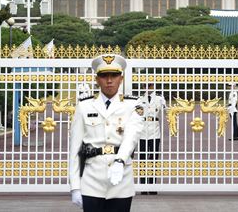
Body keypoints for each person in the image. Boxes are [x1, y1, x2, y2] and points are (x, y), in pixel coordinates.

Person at [69, 54, 144, 212]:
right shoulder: (84, 106)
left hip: (121, 181)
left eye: (114, 75)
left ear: (121, 79)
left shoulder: (133, 105)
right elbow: (75, 150)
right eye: (104, 76)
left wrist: (120, 161)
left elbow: (132, 136)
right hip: (91, 182)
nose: (109, 80)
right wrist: (75, 187)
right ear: (97, 79)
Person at [137, 83, 166, 194]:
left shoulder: (159, 98)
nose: (148, 87)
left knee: (153, 157)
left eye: (150, 85)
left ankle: (152, 185)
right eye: (146, 85)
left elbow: (165, 110)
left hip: (154, 131)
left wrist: (164, 103)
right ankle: (143, 186)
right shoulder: (140, 99)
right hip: (143, 131)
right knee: (143, 157)